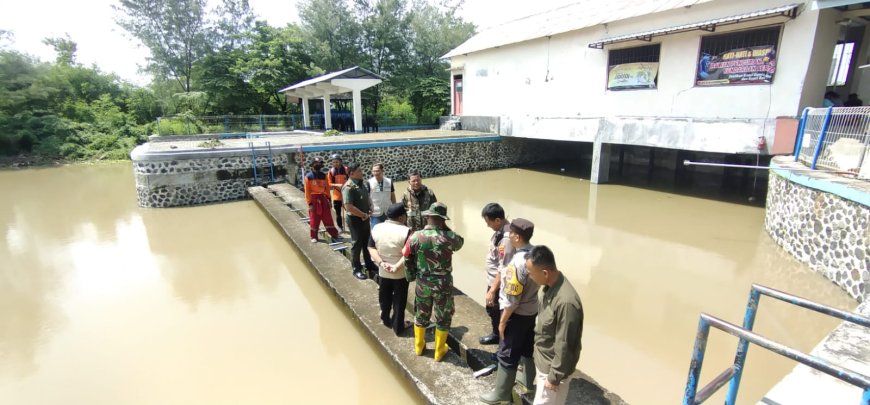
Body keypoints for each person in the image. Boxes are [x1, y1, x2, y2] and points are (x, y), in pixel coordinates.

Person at [480, 218, 539, 404]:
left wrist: (503, 321)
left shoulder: (518, 262)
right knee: (527, 345)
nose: (509, 235)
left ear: (516, 236)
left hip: (517, 313)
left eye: (511, 233)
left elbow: (513, 300)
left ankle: (501, 395)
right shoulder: (536, 253)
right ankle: (528, 382)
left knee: (507, 352)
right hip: (532, 310)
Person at [404, 202, 464, 361]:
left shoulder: (415, 236)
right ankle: (439, 351)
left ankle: (419, 347)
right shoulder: (450, 237)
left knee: (421, 314)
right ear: (443, 219)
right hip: (443, 283)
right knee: (443, 317)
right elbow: (460, 243)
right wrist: (444, 228)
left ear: (428, 217)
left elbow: (407, 257)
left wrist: (410, 276)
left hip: (423, 283)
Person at [526, 245, 584, 405]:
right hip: (544, 361)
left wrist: (554, 377)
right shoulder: (548, 288)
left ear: (545, 273)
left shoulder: (566, 302)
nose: (530, 277)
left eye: (531, 274)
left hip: (552, 369)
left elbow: (565, 343)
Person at [368, 203, 412, 336]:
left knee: (384, 296)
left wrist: (381, 263)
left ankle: (386, 319)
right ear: (401, 217)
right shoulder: (406, 231)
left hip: (383, 271)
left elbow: (371, 248)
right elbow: (408, 254)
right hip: (400, 274)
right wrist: (396, 266)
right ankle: (398, 327)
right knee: (399, 301)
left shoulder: (377, 228)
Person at [479, 203, 515, 346]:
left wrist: (493, 290)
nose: (488, 226)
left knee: (498, 313)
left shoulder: (506, 238)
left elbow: (504, 267)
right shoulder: (500, 232)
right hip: (494, 281)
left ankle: (501, 341)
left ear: (498, 220)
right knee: (492, 310)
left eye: (489, 222)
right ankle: (497, 336)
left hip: (499, 283)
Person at [342, 162, 377, 280]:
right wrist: (362, 214)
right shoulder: (348, 187)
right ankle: (356, 268)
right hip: (355, 219)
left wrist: (370, 206)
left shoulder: (363, 184)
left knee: (367, 242)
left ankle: (369, 264)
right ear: (352, 173)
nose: (362, 172)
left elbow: (367, 197)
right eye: (359, 171)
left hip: (365, 218)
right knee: (356, 243)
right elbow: (348, 206)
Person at [303, 157, 341, 243]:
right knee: (314, 218)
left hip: (323, 198)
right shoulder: (308, 177)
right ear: (312, 165)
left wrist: (329, 199)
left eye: (319, 164)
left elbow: (327, 188)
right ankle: (314, 236)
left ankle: (334, 234)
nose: (317, 165)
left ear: (321, 165)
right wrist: (310, 203)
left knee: (327, 217)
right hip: (313, 199)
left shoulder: (324, 175)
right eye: (315, 163)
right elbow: (307, 191)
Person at [367, 163, 396, 229]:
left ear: (382, 171)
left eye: (377, 170)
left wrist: (394, 208)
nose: (375, 173)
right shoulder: (369, 182)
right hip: (375, 212)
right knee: (376, 232)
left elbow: (392, 195)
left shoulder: (389, 181)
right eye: (374, 171)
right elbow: (367, 197)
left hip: (388, 211)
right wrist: (368, 208)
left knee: (389, 231)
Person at [327, 153, 349, 231]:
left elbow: (350, 180)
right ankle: (340, 227)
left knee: (349, 211)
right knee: (338, 213)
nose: (335, 163)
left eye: (337, 162)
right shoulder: (331, 172)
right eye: (333, 162)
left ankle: (350, 225)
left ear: (340, 161)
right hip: (337, 194)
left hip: (347, 193)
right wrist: (337, 184)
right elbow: (329, 184)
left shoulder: (346, 170)